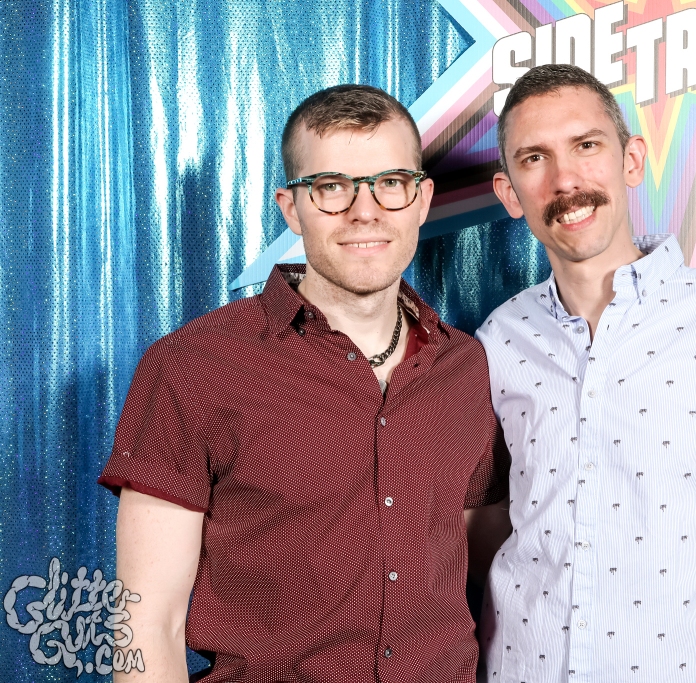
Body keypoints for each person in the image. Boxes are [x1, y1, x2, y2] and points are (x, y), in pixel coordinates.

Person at [99, 84, 510, 683]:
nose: (365, 211)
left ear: (421, 199)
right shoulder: (193, 366)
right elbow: (146, 623)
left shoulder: (465, 367)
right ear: (292, 207)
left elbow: (494, 555)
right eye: (332, 187)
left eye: (390, 183)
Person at [475, 64, 696, 682]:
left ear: (632, 160)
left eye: (587, 145)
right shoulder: (497, 339)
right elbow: (481, 534)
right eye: (535, 158)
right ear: (509, 193)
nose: (565, 179)